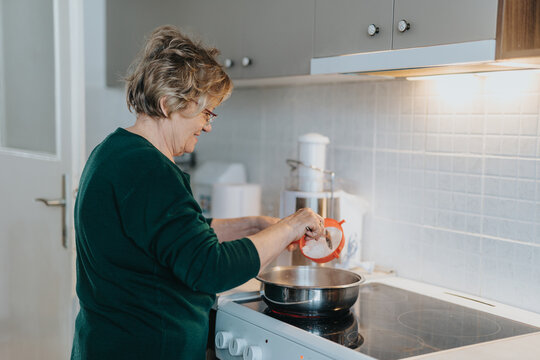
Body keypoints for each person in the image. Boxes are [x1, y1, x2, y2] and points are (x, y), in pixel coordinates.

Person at [70, 25, 324, 360]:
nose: (208, 125)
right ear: (167, 105)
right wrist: (292, 224)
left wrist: (251, 225)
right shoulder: (149, 170)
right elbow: (209, 267)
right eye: (205, 112)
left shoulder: (114, 151)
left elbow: (168, 239)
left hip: (107, 343)